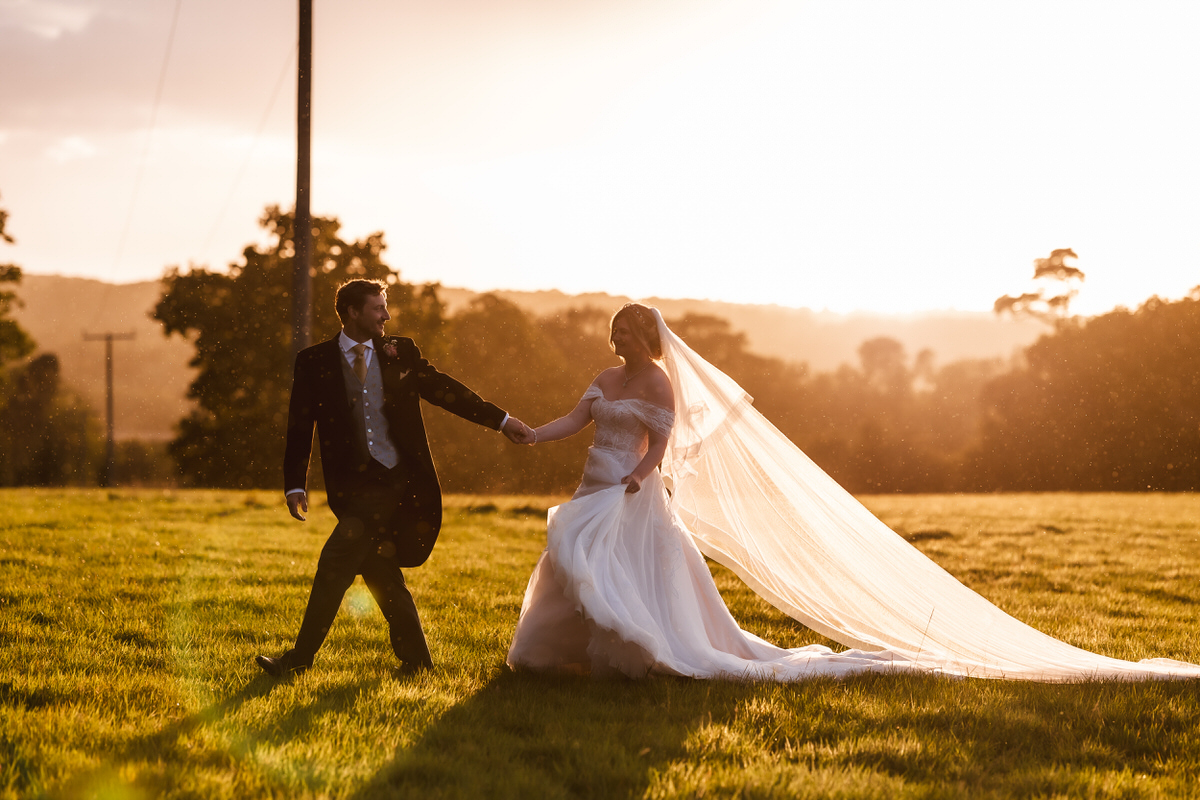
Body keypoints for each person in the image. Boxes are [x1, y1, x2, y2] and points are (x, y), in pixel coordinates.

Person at [507, 303, 1200, 681]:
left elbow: (659, 443)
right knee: (579, 559)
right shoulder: (606, 375)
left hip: (630, 491)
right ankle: (564, 651)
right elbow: (578, 417)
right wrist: (535, 434)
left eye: (628, 330)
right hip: (593, 482)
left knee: (605, 562)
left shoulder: (657, 384)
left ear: (648, 339)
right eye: (615, 330)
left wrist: (639, 474)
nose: (617, 337)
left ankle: (644, 650)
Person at [257, 279, 534, 677]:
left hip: (395, 478)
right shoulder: (313, 361)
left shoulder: (399, 351)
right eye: (377, 309)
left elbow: (442, 389)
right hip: (349, 488)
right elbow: (301, 424)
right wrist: (294, 483)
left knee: (335, 561)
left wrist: (501, 420)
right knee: (378, 567)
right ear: (352, 313)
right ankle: (418, 663)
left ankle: (298, 660)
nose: (386, 316)